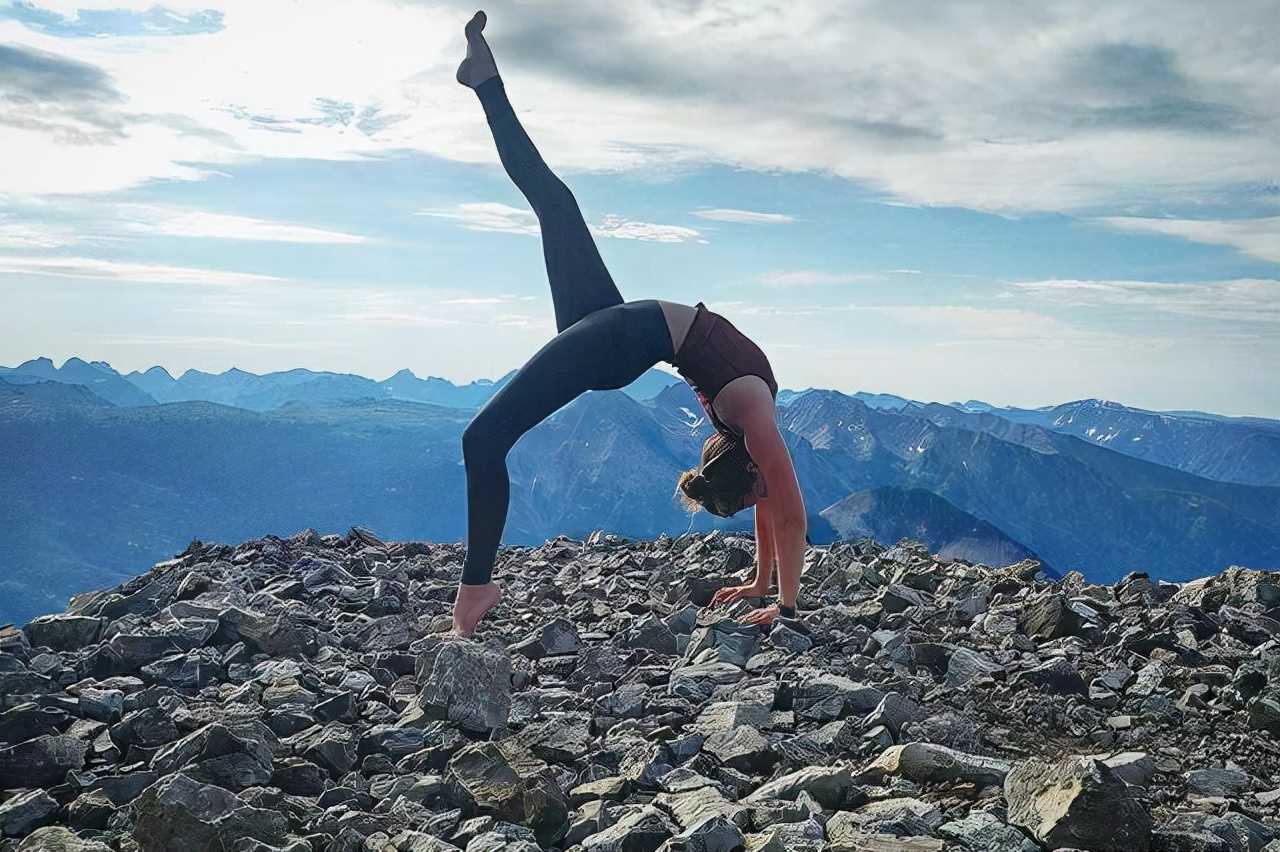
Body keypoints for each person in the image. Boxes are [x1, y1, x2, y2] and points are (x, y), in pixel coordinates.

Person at [451, 11, 807, 636]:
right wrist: (782, 603)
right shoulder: (753, 413)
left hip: (624, 338)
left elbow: (769, 506)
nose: (762, 499)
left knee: (483, 440)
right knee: (556, 203)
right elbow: (790, 513)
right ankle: (486, 79)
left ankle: (475, 591)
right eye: (754, 492)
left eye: (752, 495)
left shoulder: (750, 419)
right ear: (748, 465)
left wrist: (760, 583)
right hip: (620, 334)